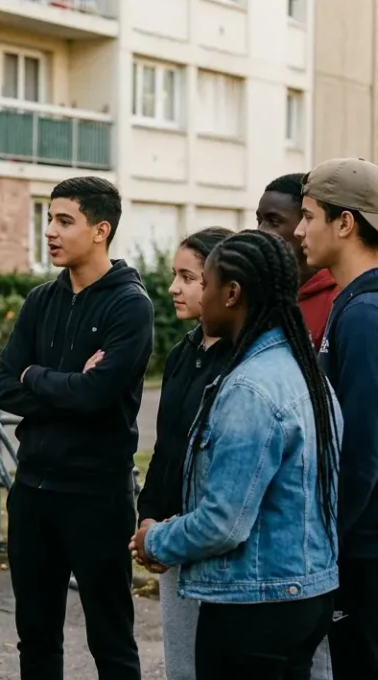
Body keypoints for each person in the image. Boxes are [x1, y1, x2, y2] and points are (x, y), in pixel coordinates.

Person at [130, 229, 343, 680]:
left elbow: (223, 522)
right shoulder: (305, 373)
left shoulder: (250, 387)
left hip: (254, 606)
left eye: (204, 283)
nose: (196, 294)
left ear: (231, 294)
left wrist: (154, 540)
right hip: (306, 594)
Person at [0, 176, 153, 680]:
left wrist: (35, 377)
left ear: (101, 230)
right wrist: (67, 383)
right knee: (36, 637)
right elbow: (3, 388)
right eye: (49, 219)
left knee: (111, 639)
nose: (50, 231)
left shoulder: (129, 305)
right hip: (32, 492)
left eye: (65, 221)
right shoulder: (41, 300)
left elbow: (96, 396)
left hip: (96, 495)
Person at [294, 158, 378, 680]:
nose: (300, 230)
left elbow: (361, 453)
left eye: (309, 216)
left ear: (345, 223)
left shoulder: (369, 316)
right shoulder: (367, 302)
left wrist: (321, 540)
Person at [135, 226, 235, 680]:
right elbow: (166, 448)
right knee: (182, 665)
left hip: (214, 542)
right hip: (170, 538)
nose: (174, 288)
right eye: (175, 275)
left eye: (188, 278)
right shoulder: (182, 353)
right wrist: (148, 520)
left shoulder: (242, 363)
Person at [257, 173, 339, 349]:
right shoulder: (257, 294)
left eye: (274, 221)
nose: (260, 231)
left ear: (305, 223)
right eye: (259, 220)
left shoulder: (338, 301)